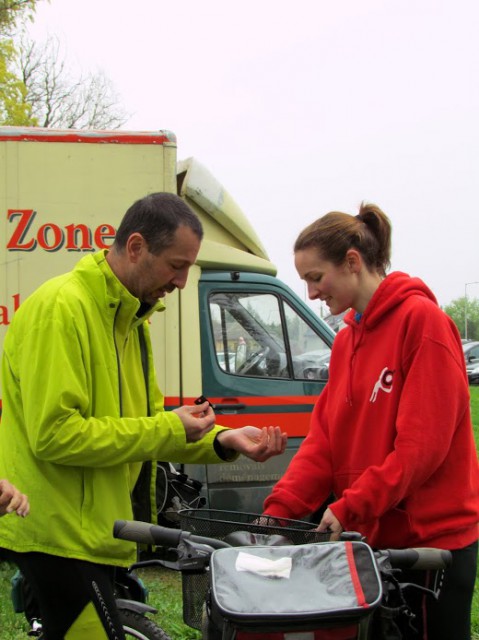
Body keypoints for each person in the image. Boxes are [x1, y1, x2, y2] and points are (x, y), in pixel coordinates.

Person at [0, 192, 287, 640]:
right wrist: (168, 426)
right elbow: (55, 435)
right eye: (176, 265)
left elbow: (150, 424)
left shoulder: (131, 319)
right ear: (136, 247)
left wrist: (222, 440)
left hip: (95, 531)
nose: (182, 281)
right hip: (58, 534)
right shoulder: (62, 309)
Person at [261, 202, 479, 639]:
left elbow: (421, 450)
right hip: (375, 539)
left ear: (352, 262)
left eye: (316, 277)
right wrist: (278, 513)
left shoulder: (423, 323)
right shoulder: (345, 343)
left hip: (430, 545)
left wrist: (350, 506)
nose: (311, 293)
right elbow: (324, 444)